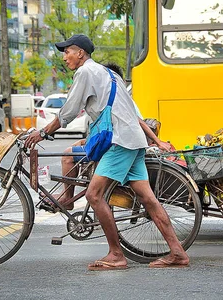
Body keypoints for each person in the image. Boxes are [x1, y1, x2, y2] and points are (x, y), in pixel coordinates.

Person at [24, 34, 189, 270]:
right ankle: (177, 252)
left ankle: (116, 255)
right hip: (133, 140)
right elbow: (132, 114)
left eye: (67, 51)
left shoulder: (85, 72)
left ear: (80, 53)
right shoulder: (110, 75)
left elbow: (69, 111)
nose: (65, 57)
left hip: (119, 141)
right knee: (148, 199)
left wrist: (43, 133)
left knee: (94, 195)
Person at [52, 61, 172, 211]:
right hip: (122, 144)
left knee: (68, 157)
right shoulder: (115, 98)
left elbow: (137, 122)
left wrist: (157, 141)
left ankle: (68, 199)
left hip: (120, 145)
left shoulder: (119, 100)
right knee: (147, 199)